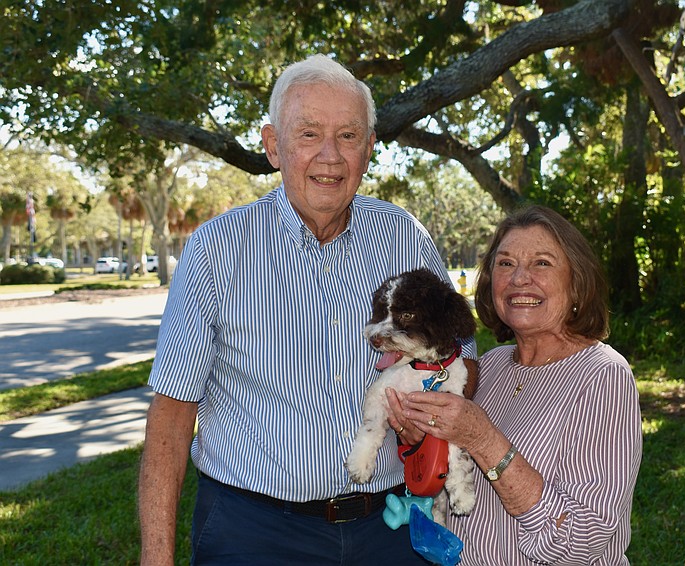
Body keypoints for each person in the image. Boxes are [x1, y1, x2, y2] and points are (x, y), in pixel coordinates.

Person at [138, 54, 477, 565]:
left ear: (368, 150)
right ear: (273, 146)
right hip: (253, 532)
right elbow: (172, 412)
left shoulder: (407, 238)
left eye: (347, 136)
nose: (330, 157)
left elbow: (464, 361)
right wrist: (157, 557)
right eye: (309, 133)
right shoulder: (217, 250)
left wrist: (432, 410)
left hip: (389, 526)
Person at [387, 205, 642, 565]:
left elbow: (581, 540)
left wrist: (483, 439)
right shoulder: (491, 365)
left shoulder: (603, 374)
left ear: (576, 282)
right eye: (505, 263)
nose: (519, 278)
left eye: (541, 263)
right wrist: (420, 441)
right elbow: (454, 486)